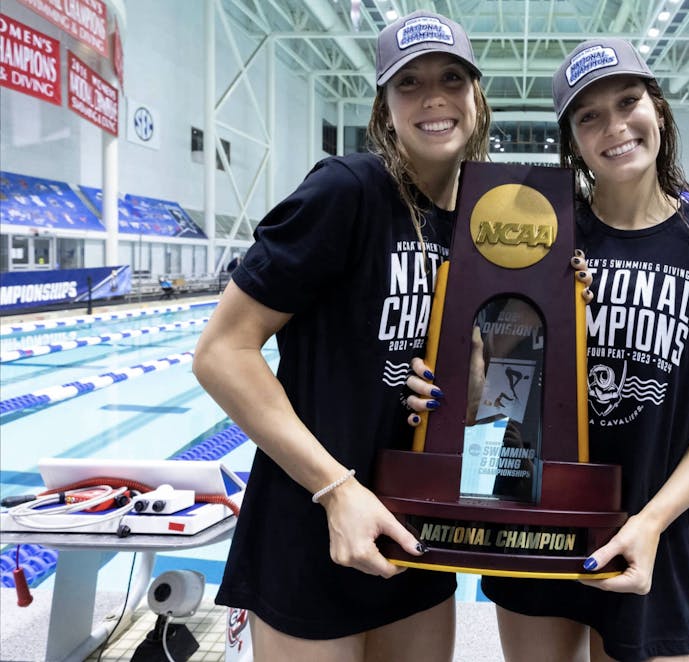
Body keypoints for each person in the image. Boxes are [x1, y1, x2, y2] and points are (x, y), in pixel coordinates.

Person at [412, 39, 689, 661]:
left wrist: (651, 522)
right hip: (539, 518)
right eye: (589, 117)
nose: (614, 127)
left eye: (628, 101)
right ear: (574, 141)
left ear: (658, 110)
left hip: (654, 531)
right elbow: (502, 392)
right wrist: (457, 380)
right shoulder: (543, 235)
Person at [191, 11, 490, 659]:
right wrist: (336, 488)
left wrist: (473, 391)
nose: (434, 97)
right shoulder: (347, 191)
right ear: (384, 109)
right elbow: (222, 353)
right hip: (313, 521)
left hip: (417, 524)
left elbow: (464, 392)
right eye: (408, 84)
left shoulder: (480, 223)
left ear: (476, 98)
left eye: (451, 78)